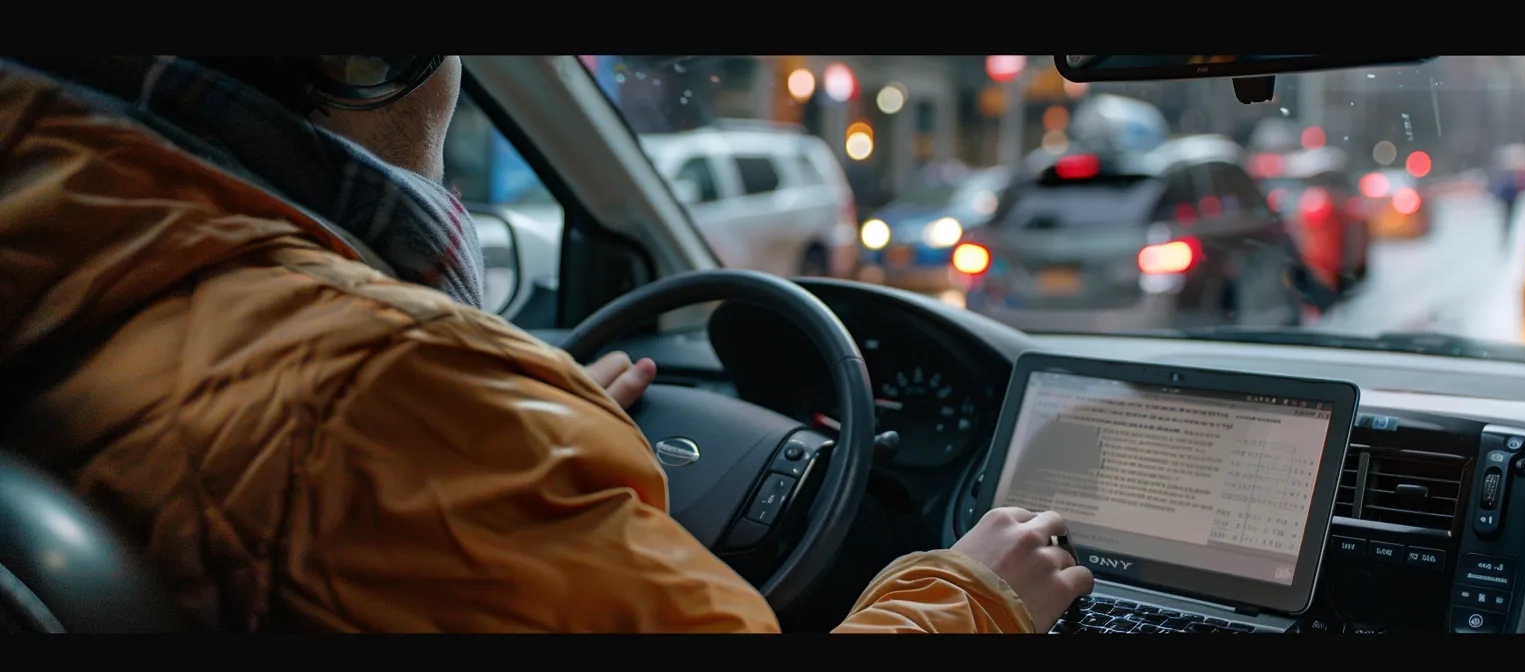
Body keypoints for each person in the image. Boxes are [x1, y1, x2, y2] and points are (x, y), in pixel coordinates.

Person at [0, 56, 1093, 632]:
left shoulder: (72, 261)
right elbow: (376, 428)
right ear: (371, 56)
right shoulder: (395, 391)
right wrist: (971, 598)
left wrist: (529, 436)